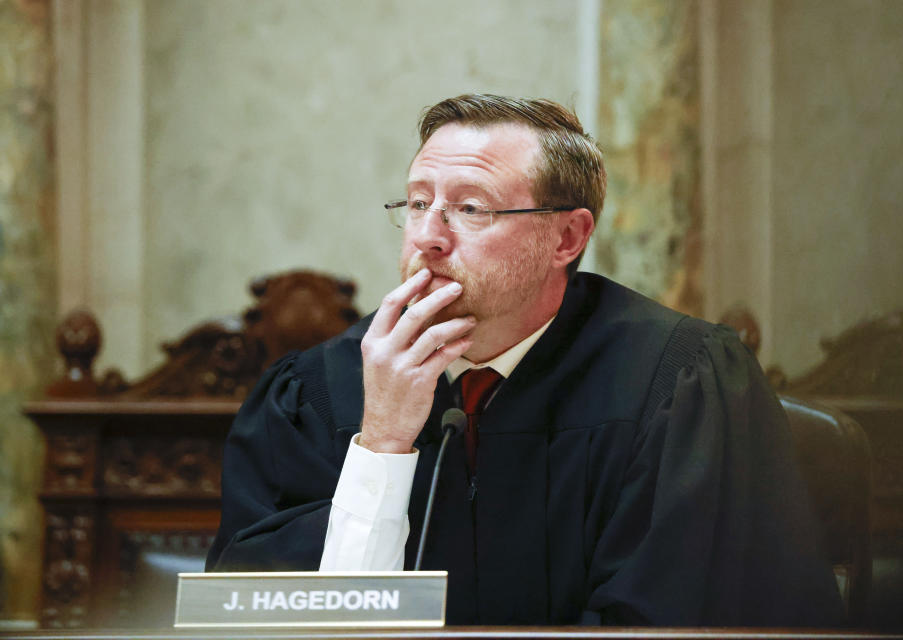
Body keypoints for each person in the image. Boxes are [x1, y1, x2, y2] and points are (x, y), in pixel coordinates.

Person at [206, 94, 844, 626]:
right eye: (418, 202)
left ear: (566, 237)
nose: (428, 234)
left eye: (470, 208)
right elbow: (270, 625)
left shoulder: (677, 381)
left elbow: (673, 623)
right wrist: (382, 443)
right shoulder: (314, 393)